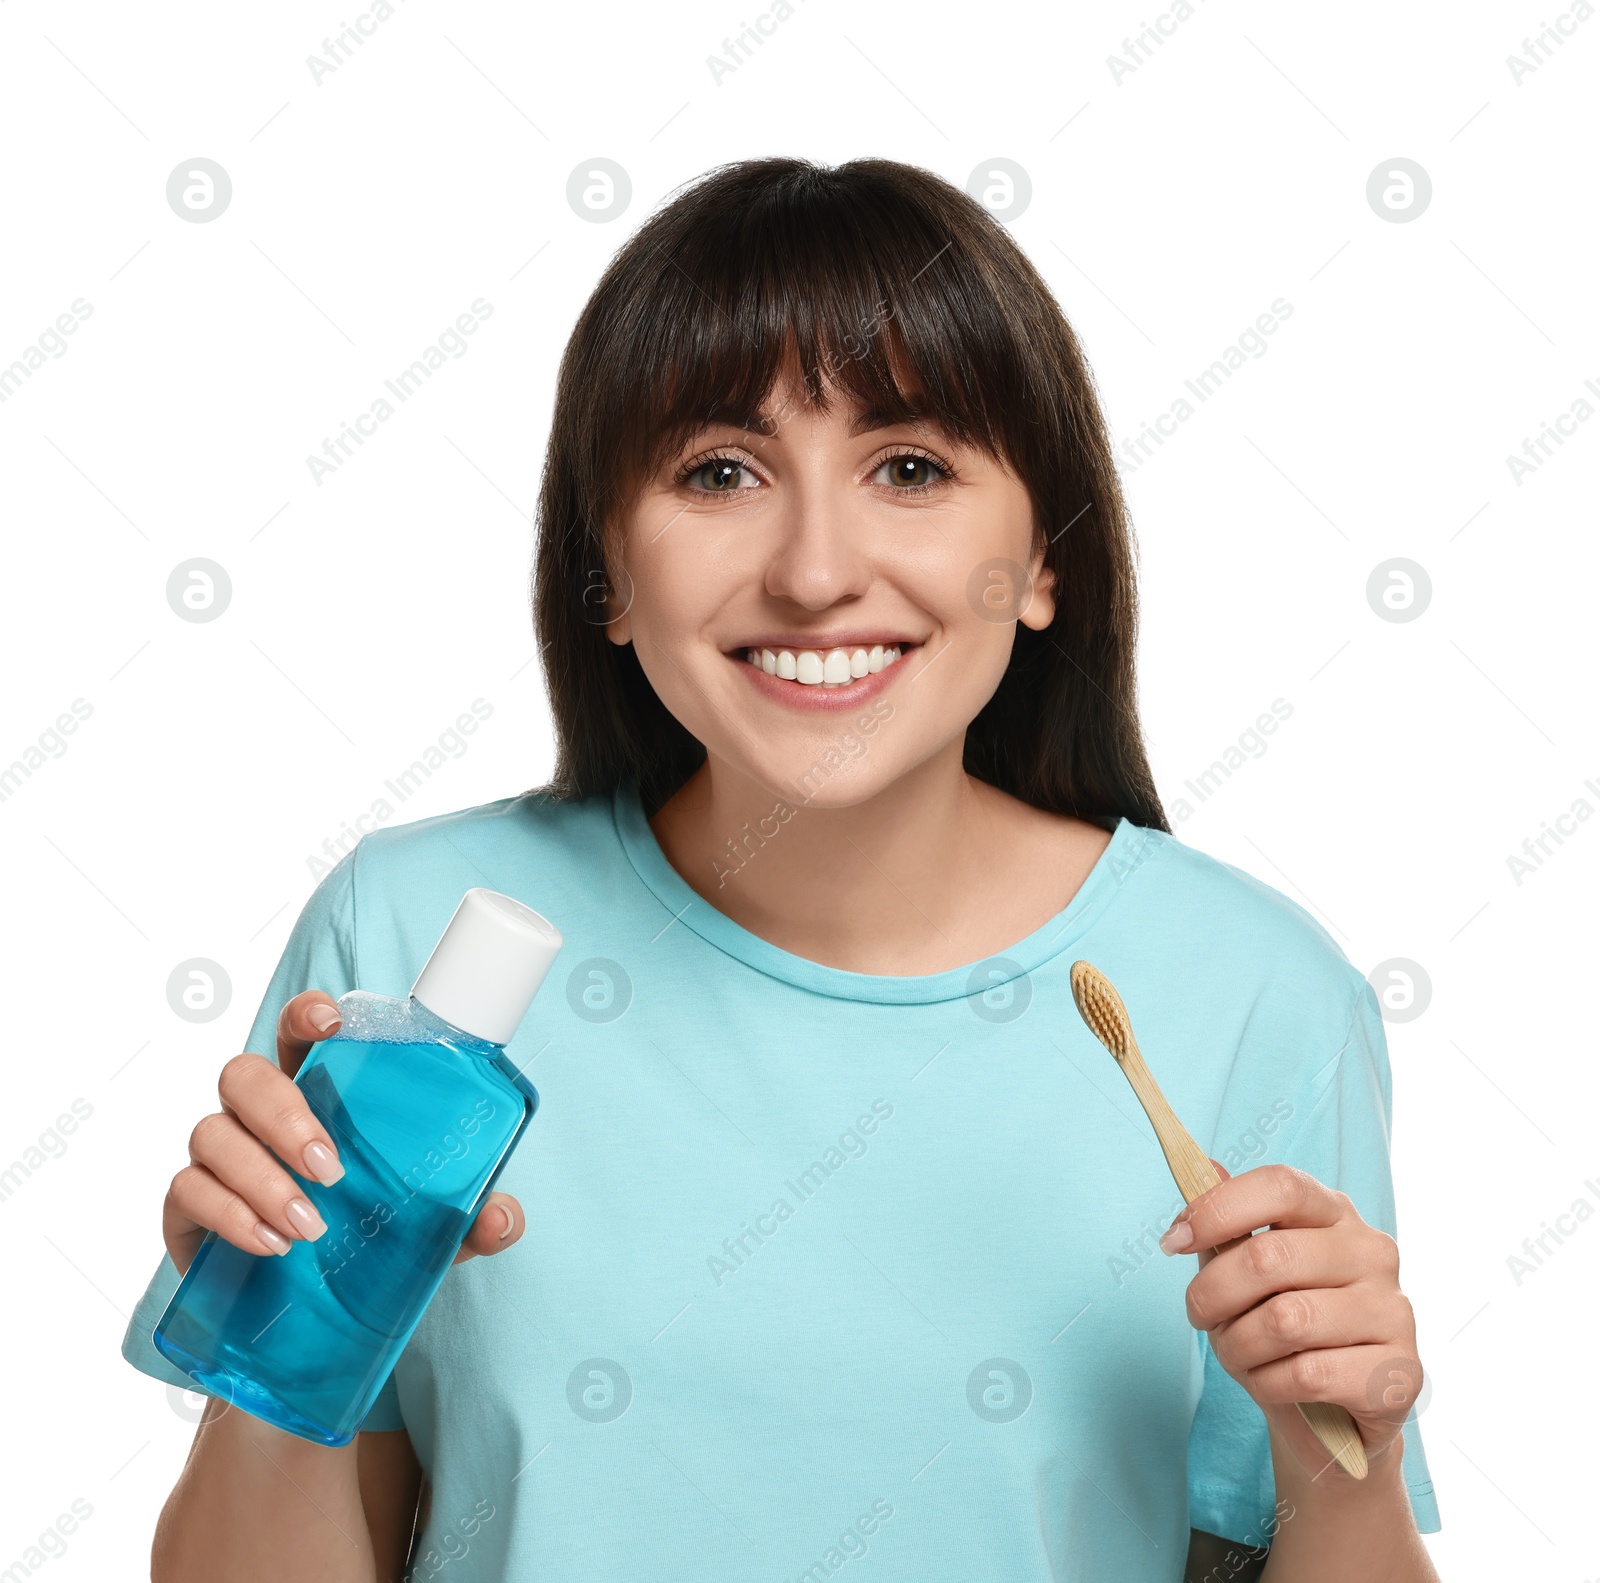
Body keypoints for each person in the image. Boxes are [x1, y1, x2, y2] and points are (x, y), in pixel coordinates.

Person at [122, 156, 1440, 1582]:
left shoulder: (1251, 994)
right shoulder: (407, 946)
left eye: (912, 468)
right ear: (609, 575)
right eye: (722, 473)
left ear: (1045, 561)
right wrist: (282, 1346)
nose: (816, 570)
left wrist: (1336, 1461)